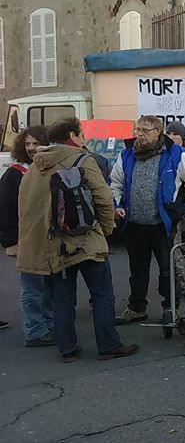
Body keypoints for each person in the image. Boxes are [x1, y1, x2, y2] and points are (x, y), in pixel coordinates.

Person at [16, 117, 139, 362]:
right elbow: (103, 198)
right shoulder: (82, 159)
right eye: (82, 133)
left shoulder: (34, 168)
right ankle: (108, 345)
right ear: (72, 135)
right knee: (102, 295)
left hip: (56, 247)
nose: (84, 138)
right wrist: (105, 230)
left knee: (62, 299)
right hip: (86, 240)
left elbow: (28, 212)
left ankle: (67, 349)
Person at [111, 115, 185, 324]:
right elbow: (115, 183)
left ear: (158, 132)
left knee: (167, 269)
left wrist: (184, 210)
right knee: (137, 269)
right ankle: (136, 307)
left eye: (146, 130)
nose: (140, 134)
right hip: (134, 224)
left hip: (162, 224)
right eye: (138, 130)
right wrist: (117, 206)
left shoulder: (176, 154)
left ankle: (171, 308)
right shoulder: (126, 155)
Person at [1, 127, 55, 347]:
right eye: (28, 144)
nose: (32, 148)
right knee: (32, 287)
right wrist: (10, 242)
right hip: (26, 240)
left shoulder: (45, 168)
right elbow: (5, 209)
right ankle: (35, 330)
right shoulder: (15, 174)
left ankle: (48, 324)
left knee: (49, 286)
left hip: (48, 239)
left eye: (36, 144)